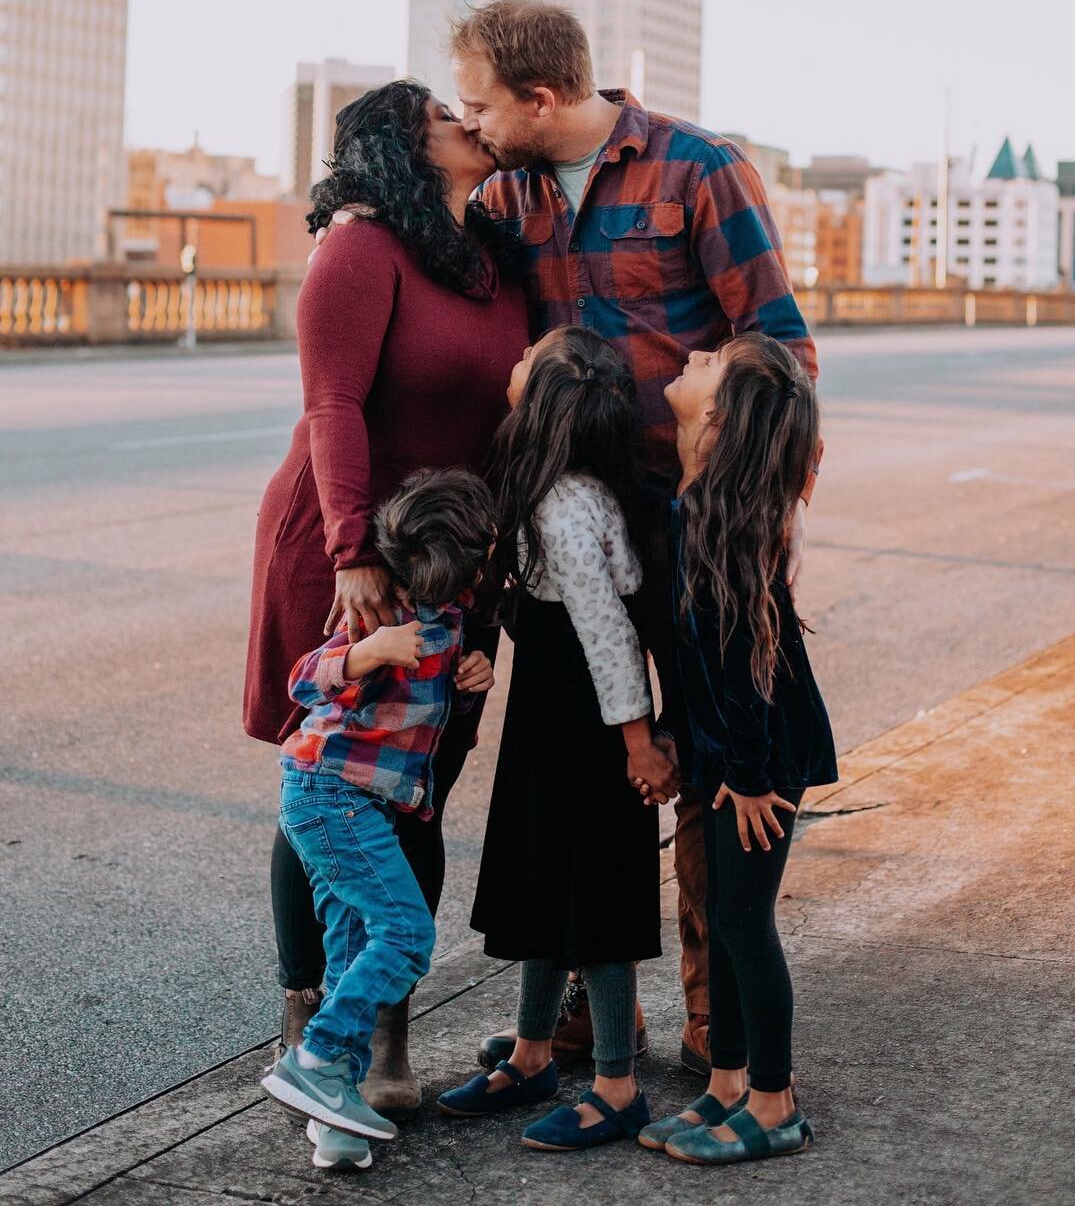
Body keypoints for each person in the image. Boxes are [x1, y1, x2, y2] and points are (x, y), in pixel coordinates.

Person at [451, 0, 821, 1074]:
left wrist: (749, 518)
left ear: (543, 97)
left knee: (713, 761)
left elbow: (782, 352)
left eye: (483, 105)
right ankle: (586, 1000)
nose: (470, 123)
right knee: (589, 762)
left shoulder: (698, 168)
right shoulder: (505, 193)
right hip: (577, 518)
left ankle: (721, 1028)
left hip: (693, 516)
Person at [243, 80, 530, 1111]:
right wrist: (353, 549)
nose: (468, 122)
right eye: (446, 118)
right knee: (329, 775)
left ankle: (384, 1028)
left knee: (423, 785)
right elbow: (332, 403)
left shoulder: (493, 256)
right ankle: (307, 1020)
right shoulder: (361, 250)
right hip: (346, 545)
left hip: (457, 558)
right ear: (409, 151)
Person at [435, 325, 680, 1153]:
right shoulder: (548, 486)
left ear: (543, 404)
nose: (514, 357)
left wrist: (638, 745)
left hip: (590, 724)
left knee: (596, 903)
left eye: (528, 360)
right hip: (553, 715)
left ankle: (616, 1085)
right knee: (544, 889)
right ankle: (534, 1054)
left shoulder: (566, 503)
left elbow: (608, 636)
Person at [260, 467, 501, 1171]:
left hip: (366, 802)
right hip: (325, 791)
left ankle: (333, 1123)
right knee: (405, 933)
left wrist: (470, 678)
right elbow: (304, 681)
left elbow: (419, 723)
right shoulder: (377, 611)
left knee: (350, 947)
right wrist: (367, 652)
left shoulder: (452, 621)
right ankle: (318, 1055)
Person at [637, 333, 837, 1165]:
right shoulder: (700, 501)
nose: (693, 354)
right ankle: (725, 1086)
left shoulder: (722, 516)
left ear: (718, 415)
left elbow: (742, 663)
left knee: (747, 925)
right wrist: (697, 745)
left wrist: (748, 776)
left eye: (712, 361)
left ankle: (774, 1102)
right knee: (722, 918)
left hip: (761, 762)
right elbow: (697, 663)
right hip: (730, 755)